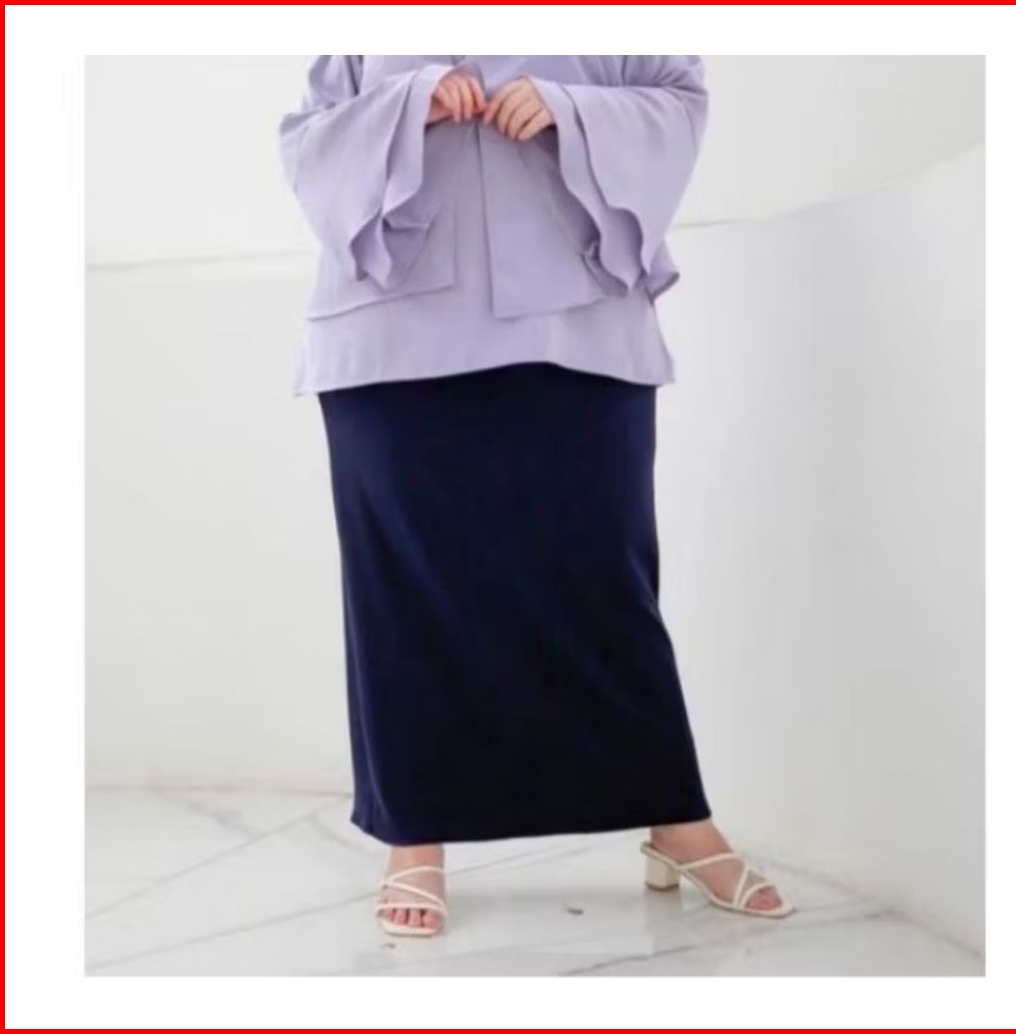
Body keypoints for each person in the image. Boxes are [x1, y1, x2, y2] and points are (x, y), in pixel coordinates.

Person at [278, 55, 792, 938]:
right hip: (391, 334)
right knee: (407, 591)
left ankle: (673, 815)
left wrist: (568, 109)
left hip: (576, 320)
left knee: (603, 581)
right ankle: (416, 832)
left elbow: (678, 103)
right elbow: (309, 140)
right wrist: (407, 105)